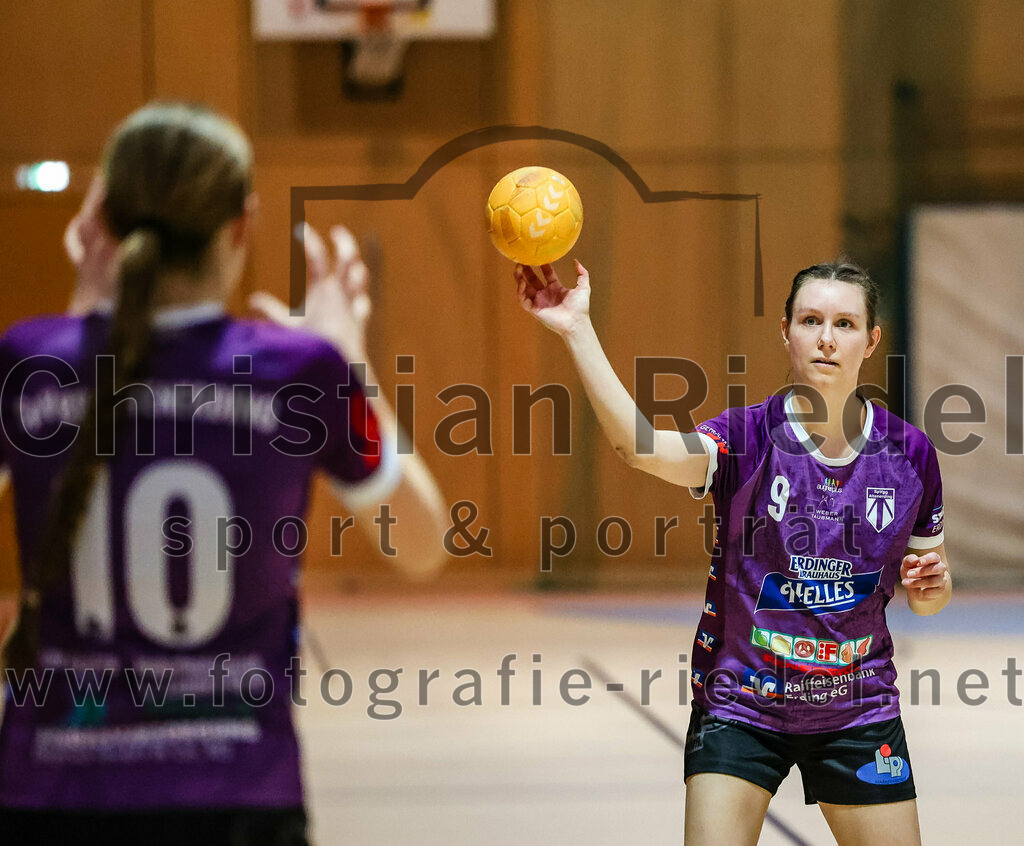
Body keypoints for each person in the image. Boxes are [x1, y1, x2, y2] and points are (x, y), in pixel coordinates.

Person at [0, 102, 447, 845]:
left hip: (52, 789)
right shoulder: (299, 372)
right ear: (243, 224)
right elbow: (424, 544)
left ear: (100, 220)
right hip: (237, 791)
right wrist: (352, 359)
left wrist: (82, 316)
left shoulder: (26, 362)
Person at [514, 258, 951, 845]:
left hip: (856, 710)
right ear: (785, 331)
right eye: (810, 320)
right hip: (743, 708)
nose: (826, 338)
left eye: (845, 324)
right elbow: (638, 448)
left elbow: (929, 597)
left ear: (871, 340)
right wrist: (576, 329)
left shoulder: (910, 454)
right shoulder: (745, 437)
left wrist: (932, 587)